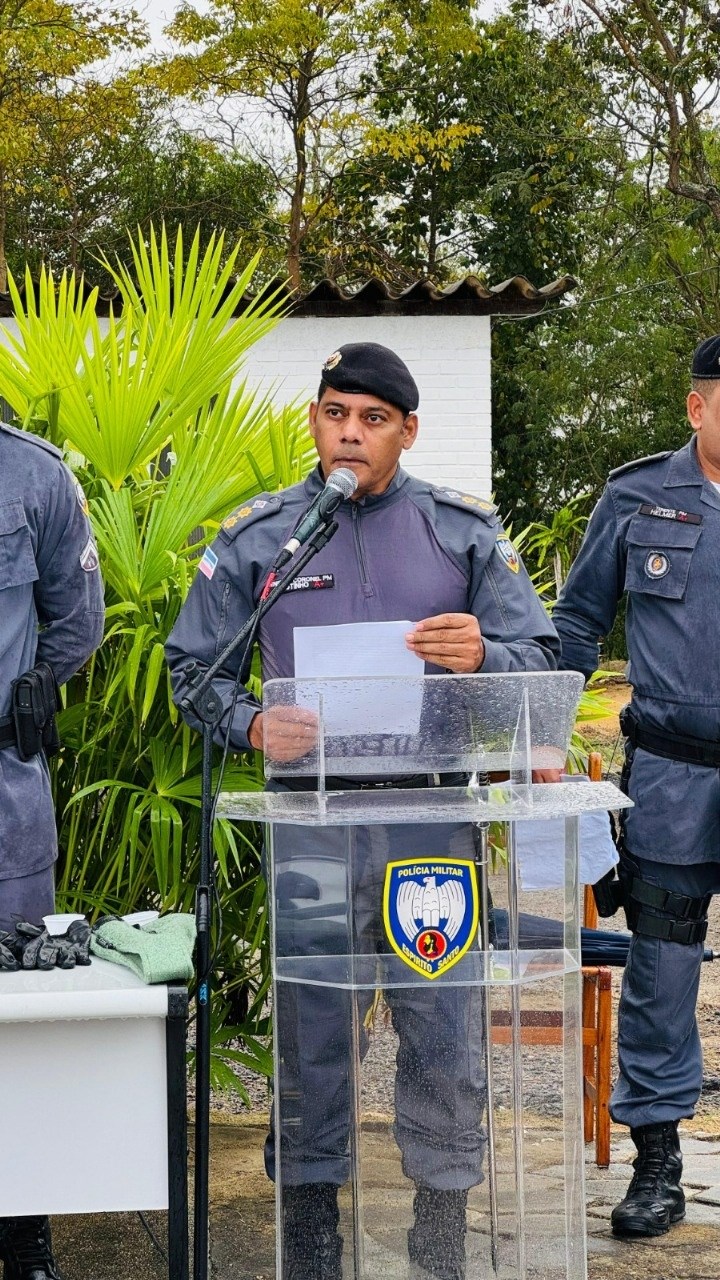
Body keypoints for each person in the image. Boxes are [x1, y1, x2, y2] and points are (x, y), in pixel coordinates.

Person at [166, 342, 559, 1279]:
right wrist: (254, 725)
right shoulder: (262, 538)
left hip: (432, 825)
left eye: (373, 418)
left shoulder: (460, 533)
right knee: (311, 1034)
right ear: (316, 418)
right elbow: (194, 672)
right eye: (335, 411)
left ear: (408, 431)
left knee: (441, 1032)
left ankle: (438, 1245)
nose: (351, 432)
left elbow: (540, 663)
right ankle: (310, 1245)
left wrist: (483, 659)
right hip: (310, 828)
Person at [553, 334, 720, 1240]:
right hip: (674, 777)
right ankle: (658, 1161)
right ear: (697, 408)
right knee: (661, 968)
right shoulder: (637, 496)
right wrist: (538, 734)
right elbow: (578, 620)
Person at [0, 421, 105, 1280]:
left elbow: (79, 619)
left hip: (4, 788)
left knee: (15, 1018)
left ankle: (21, 1227)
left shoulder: (33, 475)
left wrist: (38, 686)